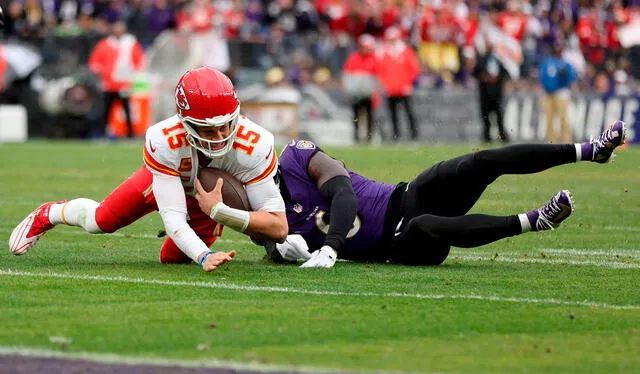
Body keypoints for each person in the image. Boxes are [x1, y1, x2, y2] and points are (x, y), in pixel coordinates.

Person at [9, 67, 288, 272]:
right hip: (166, 181)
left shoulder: (256, 143)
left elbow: (277, 226)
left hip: (205, 202)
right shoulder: (164, 140)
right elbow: (173, 217)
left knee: (171, 261)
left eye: (225, 125)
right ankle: (50, 213)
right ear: (184, 120)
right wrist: (204, 255)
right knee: (100, 221)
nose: (218, 137)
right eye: (206, 129)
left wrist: (220, 211)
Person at [265, 121, 627, 268]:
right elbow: (267, 236)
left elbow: (343, 193)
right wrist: (279, 252)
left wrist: (330, 245)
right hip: (398, 244)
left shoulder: (297, 155)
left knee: (480, 161)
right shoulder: (262, 208)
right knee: (425, 225)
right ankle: (535, 221)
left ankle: (588, 150)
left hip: (404, 196)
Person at [88, 19, 146, 139]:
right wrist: (102, 73)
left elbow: (139, 60)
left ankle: (130, 135)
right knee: (106, 111)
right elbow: (94, 63)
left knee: (127, 111)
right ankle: (102, 134)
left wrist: (132, 76)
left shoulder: (131, 43)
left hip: (124, 84)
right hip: (109, 84)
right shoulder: (105, 44)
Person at [342, 34, 380, 143]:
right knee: (356, 115)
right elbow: (347, 74)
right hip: (357, 93)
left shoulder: (373, 58)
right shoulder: (353, 57)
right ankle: (356, 137)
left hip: (369, 94)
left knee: (369, 116)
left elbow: (378, 76)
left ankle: (369, 137)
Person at [538, 41, 577, 144]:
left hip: (561, 93)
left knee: (563, 119)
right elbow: (542, 77)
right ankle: (551, 142)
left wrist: (564, 78)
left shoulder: (566, 64)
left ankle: (567, 142)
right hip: (548, 94)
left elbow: (571, 78)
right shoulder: (547, 63)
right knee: (549, 119)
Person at [472, 40, 511, 143]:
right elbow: (475, 73)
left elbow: (506, 74)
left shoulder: (497, 61)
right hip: (485, 94)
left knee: (499, 118)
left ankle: (502, 136)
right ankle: (487, 137)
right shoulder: (481, 60)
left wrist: (498, 81)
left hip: (496, 94)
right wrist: (484, 77)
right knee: (486, 118)